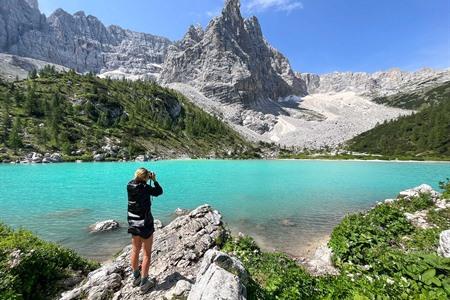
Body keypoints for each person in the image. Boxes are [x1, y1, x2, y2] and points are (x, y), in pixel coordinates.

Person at [127, 167, 163, 293]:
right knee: (147, 253)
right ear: (145, 178)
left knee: (135, 250)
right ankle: (144, 283)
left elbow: (139, 184)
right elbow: (159, 192)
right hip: (145, 223)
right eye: (147, 176)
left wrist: (146, 179)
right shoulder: (145, 188)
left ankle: (136, 277)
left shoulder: (129, 185)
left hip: (133, 221)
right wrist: (155, 180)